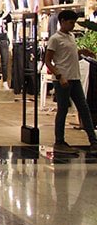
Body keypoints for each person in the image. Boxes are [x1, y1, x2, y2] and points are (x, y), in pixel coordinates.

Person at [43, 9, 97, 154]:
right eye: (71, 23)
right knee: (63, 110)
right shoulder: (55, 39)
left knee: (84, 109)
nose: (73, 25)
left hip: (75, 78)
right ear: (62, 22)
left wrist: (81, 52)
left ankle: (93, 141)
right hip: (63, 79)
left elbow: (68, 56)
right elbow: (48, 61)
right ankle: (59, 141)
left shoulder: (71, 36)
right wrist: (59, 76)